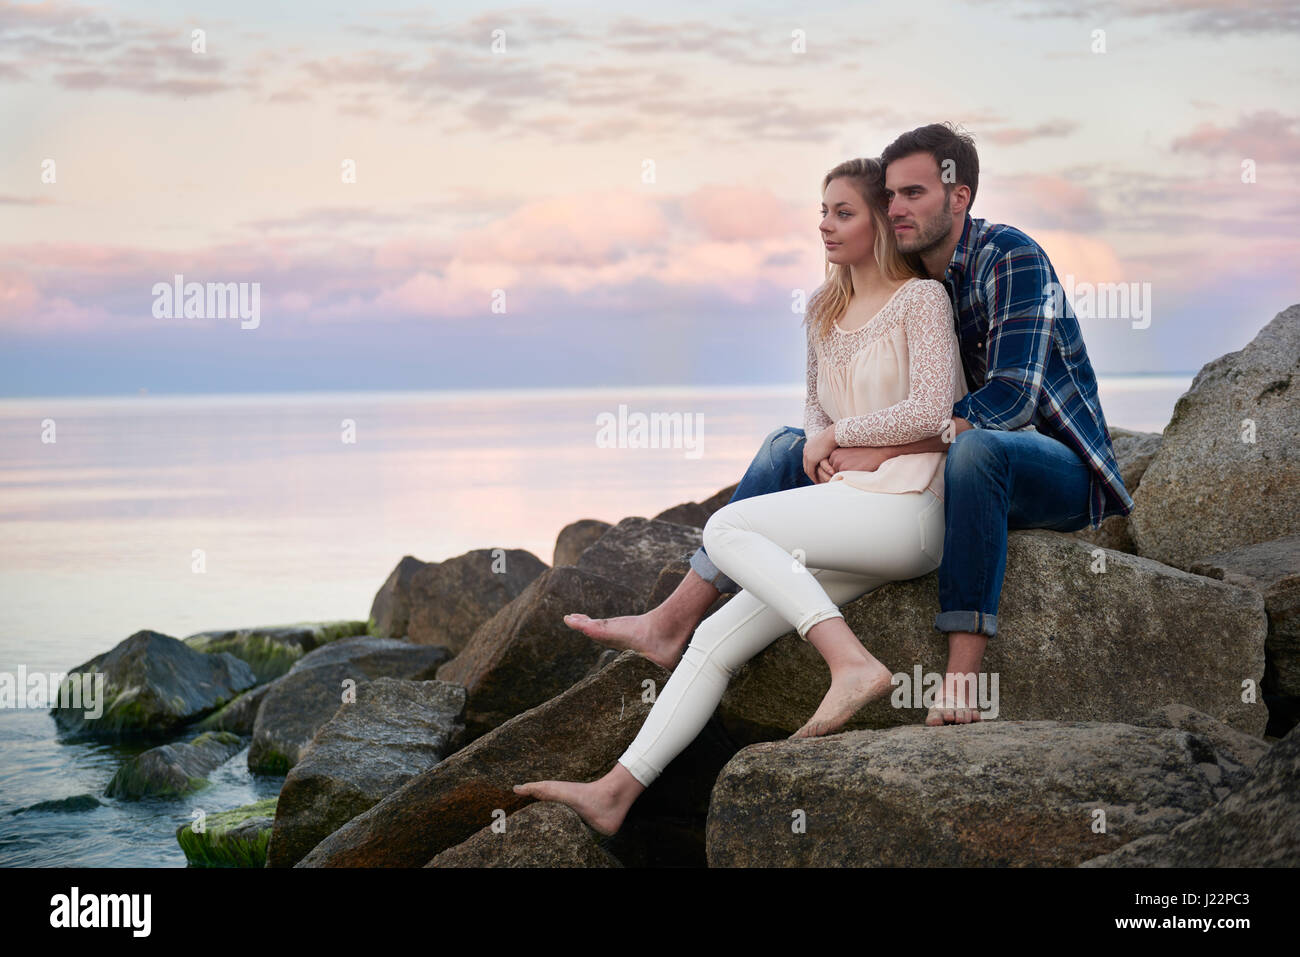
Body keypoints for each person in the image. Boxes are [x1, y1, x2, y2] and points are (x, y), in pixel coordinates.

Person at [564, 123, 1135, 728]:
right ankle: (672, 620)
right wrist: (837, 447)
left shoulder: (1009, 257)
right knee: (787, 446)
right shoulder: (913, 275)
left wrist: (873, 447)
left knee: (980, 452)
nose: (897, 208)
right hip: (953, 469)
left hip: (1053, 467)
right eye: (889, 196)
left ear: (959, 196)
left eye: (914, 193)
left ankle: (961, 680)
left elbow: (1010, 402)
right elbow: (872, 400)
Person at [514, 156, 968, 836]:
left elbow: (934, 411)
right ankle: (614, 792)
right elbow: (815, 414)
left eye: (843, 212)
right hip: (851, 511)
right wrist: (824, 446)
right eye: (822, 211)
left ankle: (850, 663)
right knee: (715, 638)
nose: (825, 225)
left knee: (727, 528)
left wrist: (840, 436)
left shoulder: (922, 300)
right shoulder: (823, 311)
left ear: (879, 221)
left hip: (911, 511)